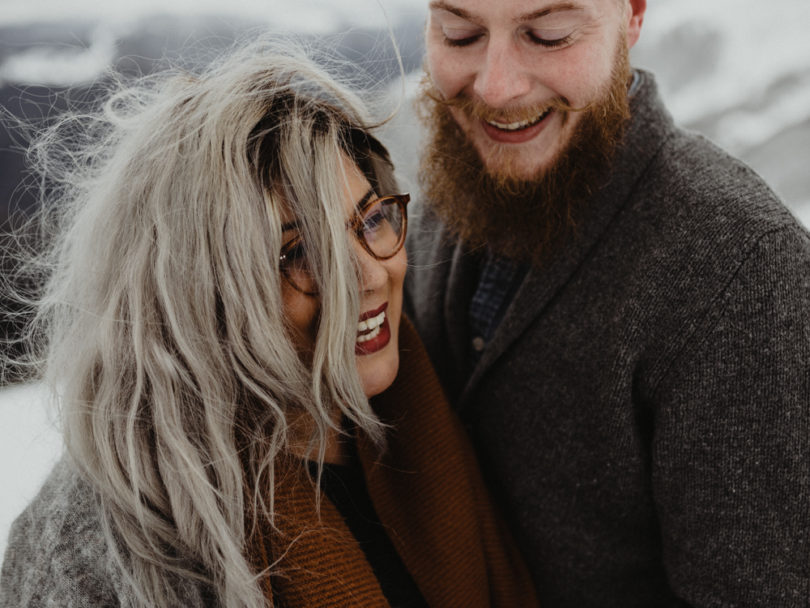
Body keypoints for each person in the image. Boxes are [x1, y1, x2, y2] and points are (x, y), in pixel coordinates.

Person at [0, 41, 537, 607]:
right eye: (304, 251)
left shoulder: (427, 420)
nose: (370, 277)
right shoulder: (102, 552)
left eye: (371, 220)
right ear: (202, 295)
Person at [405, 0, 810, 606]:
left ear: (633, 14)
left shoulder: (742, 266)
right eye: (459, 35)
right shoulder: (452, 190)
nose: (495, 87)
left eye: (549, 35)